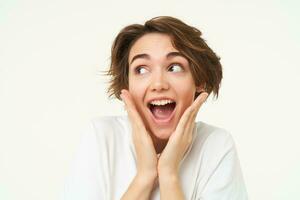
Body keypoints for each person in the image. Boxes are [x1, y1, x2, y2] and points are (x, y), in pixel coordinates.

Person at [61, 16, 248, 200]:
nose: (158, 84)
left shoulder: (215, 145)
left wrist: (169, 174)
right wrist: (145, 176)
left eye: (174, 67)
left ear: (199, 81)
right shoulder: (102, 136)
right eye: (141, 69)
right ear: (128, 86)